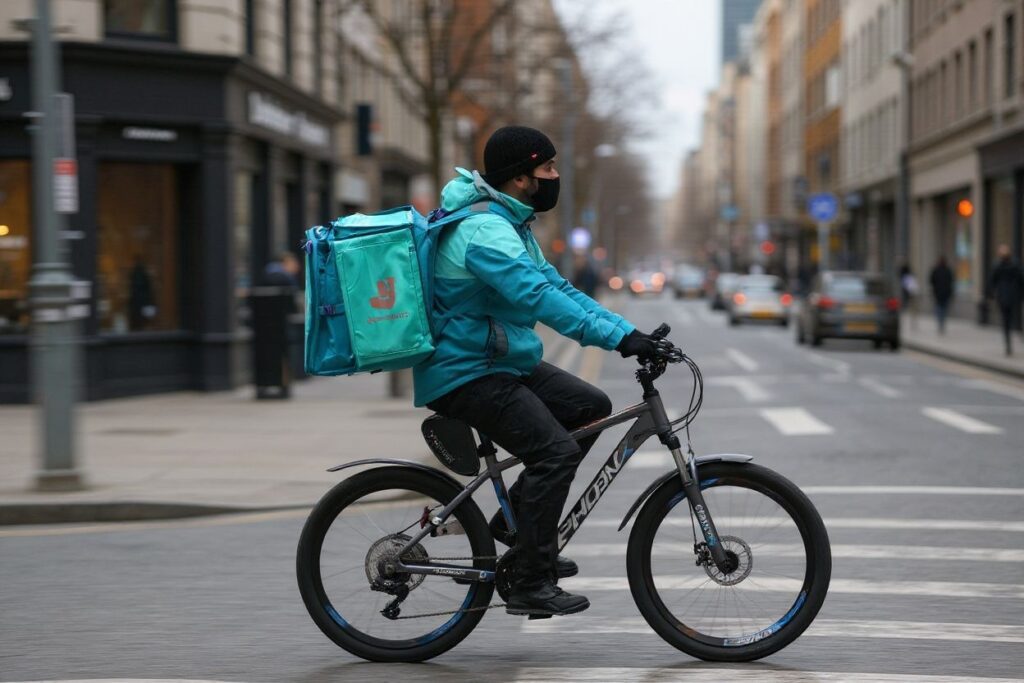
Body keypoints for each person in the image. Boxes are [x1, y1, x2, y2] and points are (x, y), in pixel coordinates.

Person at [414, 126, 657, 618]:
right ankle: (529, 580)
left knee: (591, 408)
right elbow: (536, 298)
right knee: (554, 452)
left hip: (501, 362)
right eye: (547, 168)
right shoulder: (484, 230)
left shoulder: (511, 223)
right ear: (520, 177)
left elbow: (558, 287)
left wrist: (630, 332)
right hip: (466, 371)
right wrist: (617, 339)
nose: (555, 175)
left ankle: (518, 527)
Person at [989, 244, 1024, 356]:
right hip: (1013, 297)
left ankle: (1008, 341)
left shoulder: (998, 266)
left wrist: (991, 295)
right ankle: (1011, 339)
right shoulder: (1015, 265)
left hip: (1004, 297)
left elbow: (992, 282)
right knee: (1011, 319)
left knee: (1006, 321)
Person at [928, 255, 954, 335]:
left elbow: (931, 281)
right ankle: (941, 323)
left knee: (940, 309)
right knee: (942, 309)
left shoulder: (937, 270)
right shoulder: (946, 270)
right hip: (943, 293)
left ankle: (941, 323)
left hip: (940, 293)